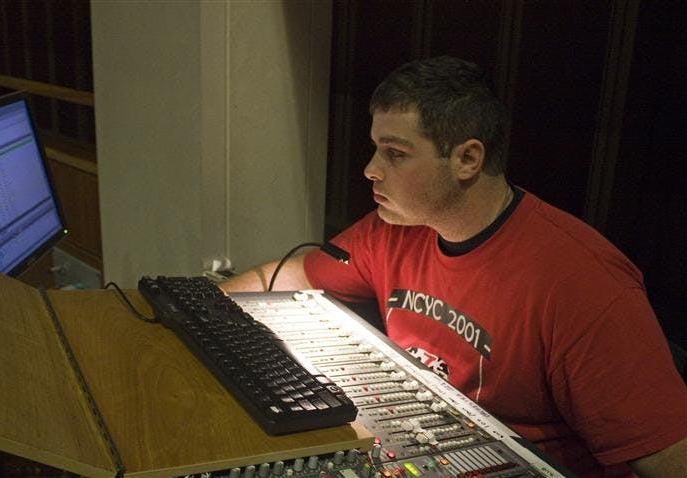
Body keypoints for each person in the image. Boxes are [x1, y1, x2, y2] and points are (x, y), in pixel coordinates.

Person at [221, 56, 687, 477]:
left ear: (467, 159)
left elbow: (670, 455)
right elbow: (301, 273)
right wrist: (205, 305)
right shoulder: (395, 228)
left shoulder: (584, 282)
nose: (370, 169)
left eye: (395, 154)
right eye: (376, 148)